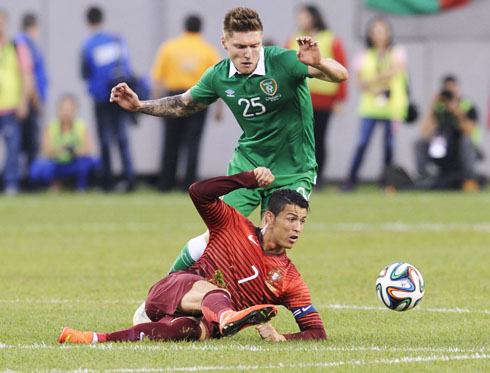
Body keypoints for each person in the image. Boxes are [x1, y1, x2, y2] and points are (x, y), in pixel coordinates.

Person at [111, 7, 348, 273]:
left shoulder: (282, 61)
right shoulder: (218, 76)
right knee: (217, 236)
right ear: (225, 43)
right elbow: (182, 104)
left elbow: (340, 75)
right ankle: (166, 290)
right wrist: (139, 105)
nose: (248, 53)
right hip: (249, 167)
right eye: (240, 46)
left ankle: (250, 303)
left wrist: (318, 63)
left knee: (273, 240)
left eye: (254, 45)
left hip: (294, 170)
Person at [58, 167, 327, 343]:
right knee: (218, 296)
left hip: (200, 319)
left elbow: (316, 332)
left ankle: (94, 338)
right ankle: (226, 315)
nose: (297, 228)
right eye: (291, 219)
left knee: (185, 331)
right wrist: (246, 179)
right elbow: (198, 192)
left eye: (302, 221)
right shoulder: (233, 224)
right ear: (269, 217)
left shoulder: (290, 278)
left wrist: (282, 338)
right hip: (173, 288)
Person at [152, 14, 222, 191]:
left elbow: (157, 79)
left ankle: (166, 183)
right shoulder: (208, 50)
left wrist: (156, 107)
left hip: (174, 97)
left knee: (170, 142)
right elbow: (219, 81)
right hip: (198, 97)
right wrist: (219, 108)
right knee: (193, 143)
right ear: (200, 28)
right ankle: (188, 184)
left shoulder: (169, 47)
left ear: (184, 27)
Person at [343, 17, 408, 191]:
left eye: (382, 30)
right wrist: (375, 86)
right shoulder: (364, 55)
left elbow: (397, 71)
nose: (379, 34)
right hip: (370, 106)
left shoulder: (397, 52)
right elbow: (359, 83)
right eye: (375, 31)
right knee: (362, 144)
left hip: (391, 106)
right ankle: (350, 181)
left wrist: (372, 81)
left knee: (389, 147)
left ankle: (387, 182)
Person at [287, 5, 347, 189]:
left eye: (303, 16)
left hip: (323, 99)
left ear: (313, 17)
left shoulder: (329, 38)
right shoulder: (293, 39)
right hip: (299, 98)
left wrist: (340, 99)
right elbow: (284, 65)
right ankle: (299, 176)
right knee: (298, 139)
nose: (300, 19)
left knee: (318, 139)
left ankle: (317, 178)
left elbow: (341, 66)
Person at [81, 6, 135, 192]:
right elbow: (127, 68)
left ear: (88, 22)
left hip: (101, 97)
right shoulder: (116, 40)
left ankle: (108, 182)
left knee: (105, 139)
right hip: (119, 94)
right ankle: (130, 179)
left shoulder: (88, 45)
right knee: (122, 137)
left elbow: (84, 71)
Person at [415, 75, 483, 190]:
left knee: (466, 141)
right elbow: (424, 132)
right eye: (447, 87)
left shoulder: (468, 105)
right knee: (420, 143)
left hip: (462, 149)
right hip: (442, 147)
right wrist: (433, 107)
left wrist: (456, 111)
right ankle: (425, 178)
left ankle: (468, 177)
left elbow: (470, 130)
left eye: (453, 86)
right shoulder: (439, 107)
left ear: (458, 88)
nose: (450, 90)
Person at [29, 94, 99, 192]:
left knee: (90, 162)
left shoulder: (81, 126)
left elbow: (88, 150)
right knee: (37, 168)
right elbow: (46, 152)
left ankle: (81, 187)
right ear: (58, 110)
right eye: (64, 109)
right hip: (57, 163)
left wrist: (74, 151)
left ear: (75, 110)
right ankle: (51, 185)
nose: (66, 113)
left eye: (69, 109)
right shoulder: (51, 127)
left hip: (74, 162)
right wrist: (59, 151)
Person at [0, 9, 33, 195]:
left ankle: (11, 184)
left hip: (10, 106)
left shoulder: (16, 46)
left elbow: (26, 75)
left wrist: (24, 102)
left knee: (13, 148)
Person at [15, 13, 49, 178]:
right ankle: (28, 179)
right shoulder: (25, 44)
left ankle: (27, 178)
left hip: (28, 100)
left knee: (26, 143)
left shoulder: (26, 43)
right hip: (28, 101)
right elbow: (29, 74)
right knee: (28, 143)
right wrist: (35, 100)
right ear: (34, 27)